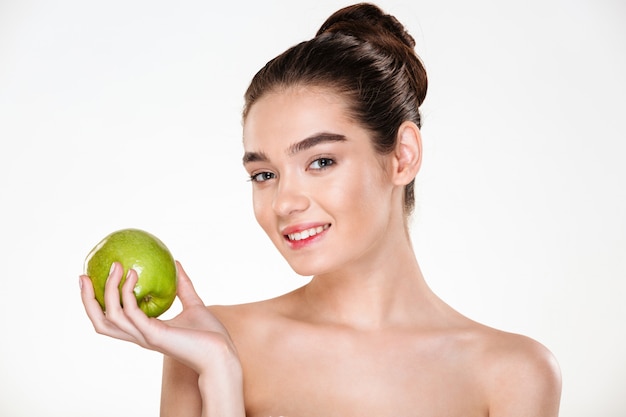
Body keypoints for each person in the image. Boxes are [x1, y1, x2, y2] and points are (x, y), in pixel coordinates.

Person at [80, 3, 562, 416]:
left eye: (321, 161)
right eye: (264, 174)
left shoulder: (513, 373)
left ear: (402, 155)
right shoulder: (212, 343)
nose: (285, 202)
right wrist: (221, 377)